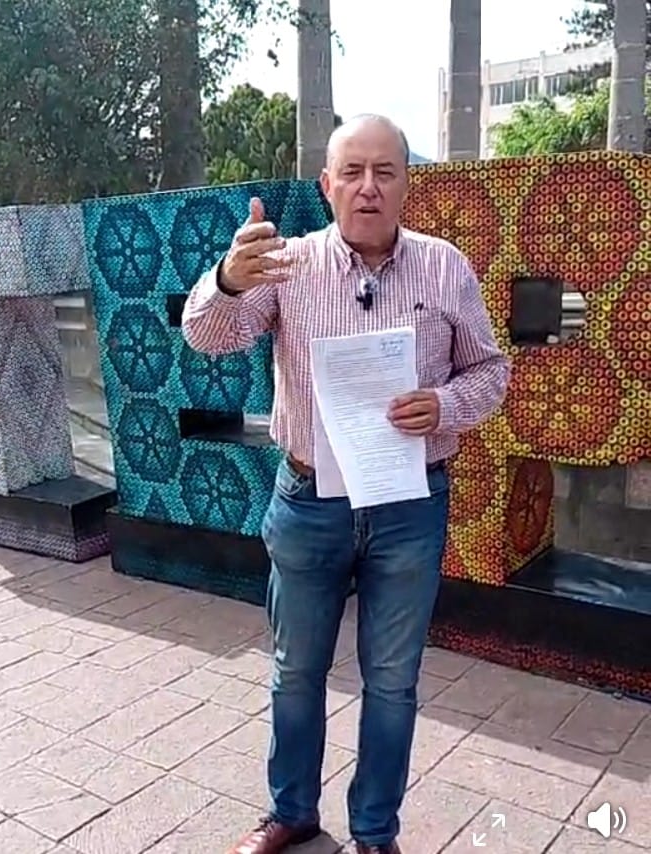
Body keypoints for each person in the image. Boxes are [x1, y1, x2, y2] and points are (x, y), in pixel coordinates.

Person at [181, 114, 510, 854]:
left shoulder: (444, 267)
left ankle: (373, 832)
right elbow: (207, 336)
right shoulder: (287, 265)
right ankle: (291, 812)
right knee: (295, 671)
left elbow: (491, 371)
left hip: (408, 506)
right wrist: (228, 280)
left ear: (406, 184)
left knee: (392, 681)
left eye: (384, 172)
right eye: (352, 173)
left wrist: (445, 405)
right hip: (309, 503)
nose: (368, 188)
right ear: (327, 186)